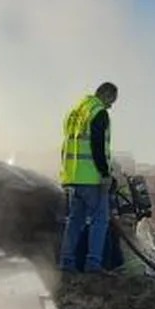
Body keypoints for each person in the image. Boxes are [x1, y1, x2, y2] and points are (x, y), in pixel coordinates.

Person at [58, 82, 118, 273]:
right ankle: (93, 264)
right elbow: (97, 145)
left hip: (72, 176)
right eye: (111, 101)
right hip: (92, 178)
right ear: (106, 95)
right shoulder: (98, 112)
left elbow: (65, 145)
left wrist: (65, 174)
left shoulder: (74, 112)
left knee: (75, 220)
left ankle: (66, 262)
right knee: (100, 219)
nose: (110, 106)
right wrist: (105, 174)